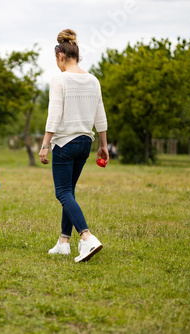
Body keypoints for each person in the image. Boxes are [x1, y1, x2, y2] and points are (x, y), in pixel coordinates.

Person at [39, 29, 109, 263]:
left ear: (60, 56)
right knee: (69, 191)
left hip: (64, 143)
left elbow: (54, 114)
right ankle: (63, 242)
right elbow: (100, 115)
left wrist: (45, 145)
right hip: (85, 143)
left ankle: (87, 238)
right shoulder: (93, 80)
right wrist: (104, 145)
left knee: (63, 192)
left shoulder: (60, 79)